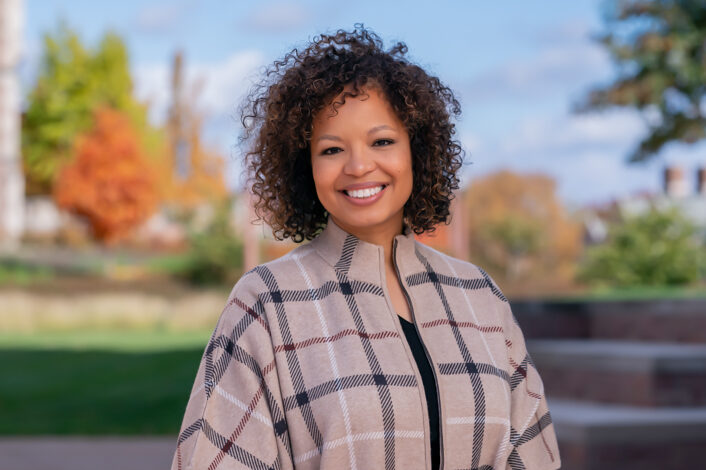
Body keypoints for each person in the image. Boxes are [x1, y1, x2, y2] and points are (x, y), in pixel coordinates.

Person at [171, 26, 561, 470]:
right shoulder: (266, 303)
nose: (359, 166)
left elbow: (532, 456)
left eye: (382, 141)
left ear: (416, 149)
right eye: (332, 149)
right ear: (306, 166)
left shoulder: (480, 297)